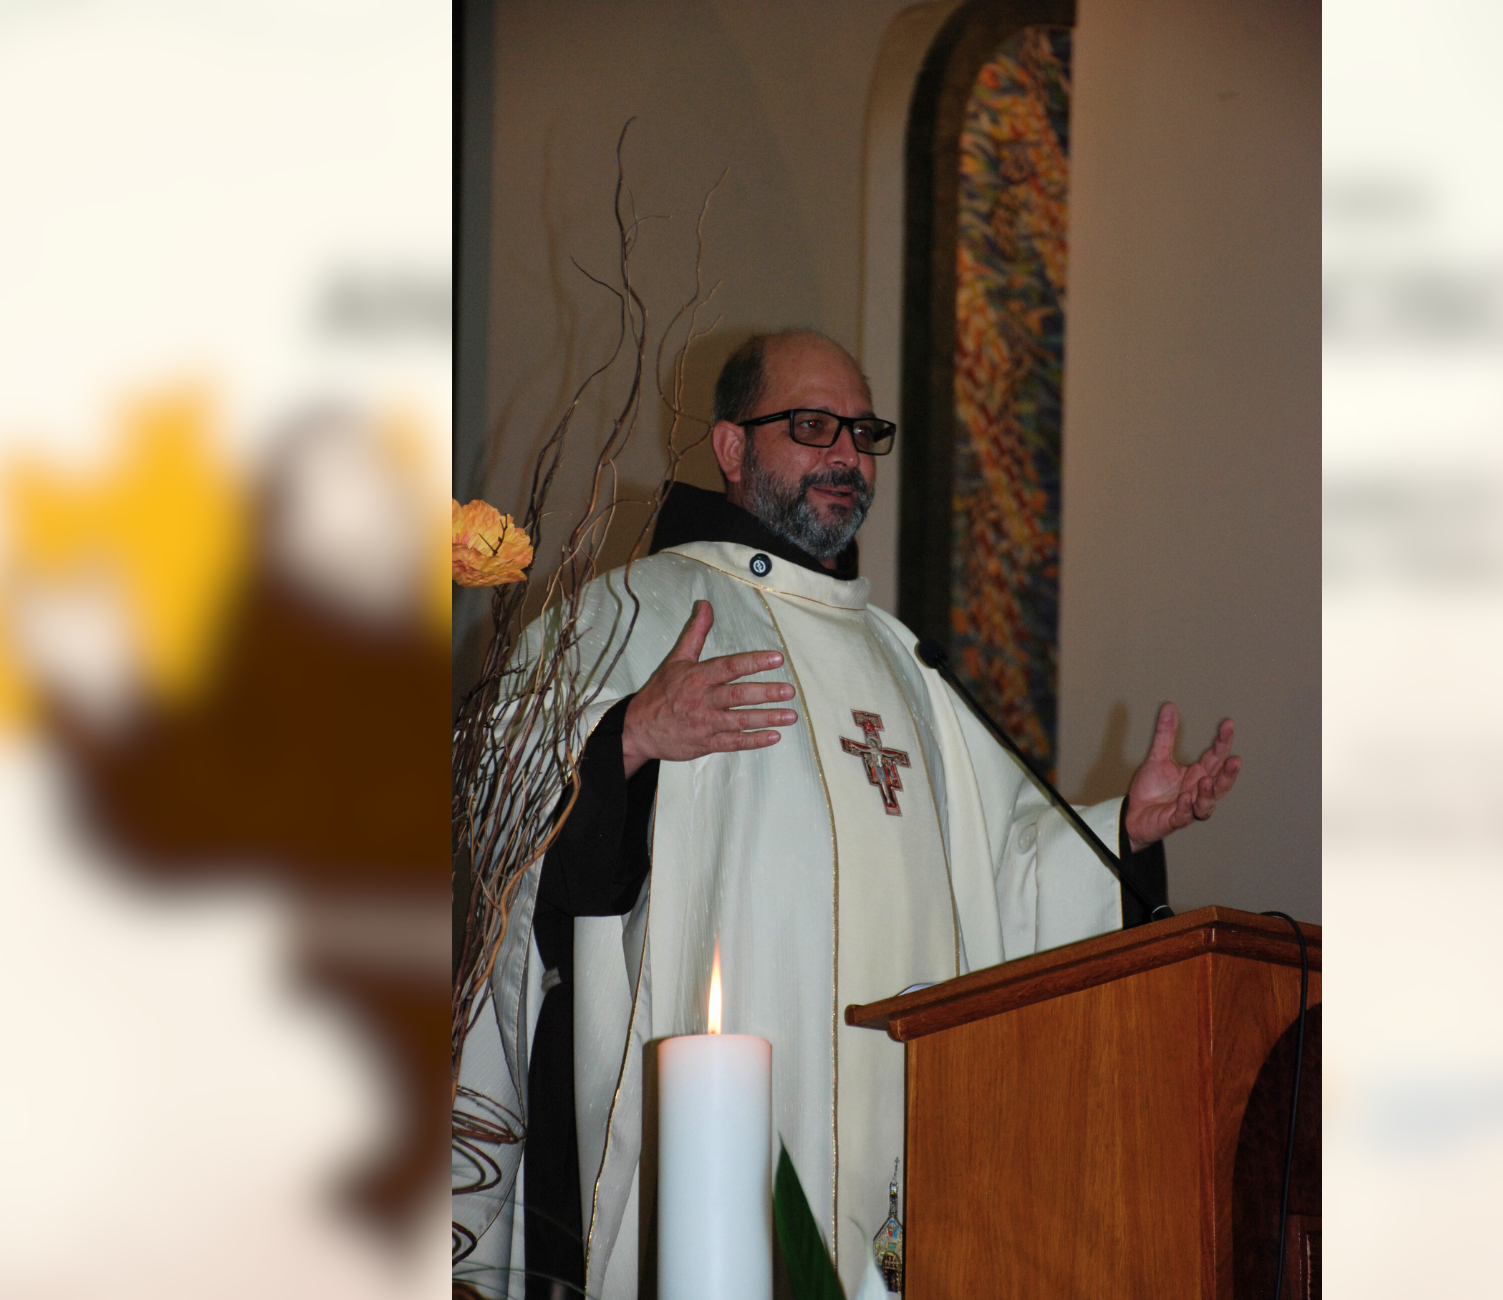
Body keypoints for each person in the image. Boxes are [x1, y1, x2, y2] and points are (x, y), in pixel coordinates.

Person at [457, 330, 1240, 1299]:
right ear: (732, 448)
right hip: (701, 1195)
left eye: (863, 432)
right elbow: (501, 830)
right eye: (813, 427)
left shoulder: (908, 663)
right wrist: (626, 740)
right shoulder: (626, 616)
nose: (846, 456)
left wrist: (1120, 836)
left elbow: (1003, 893)